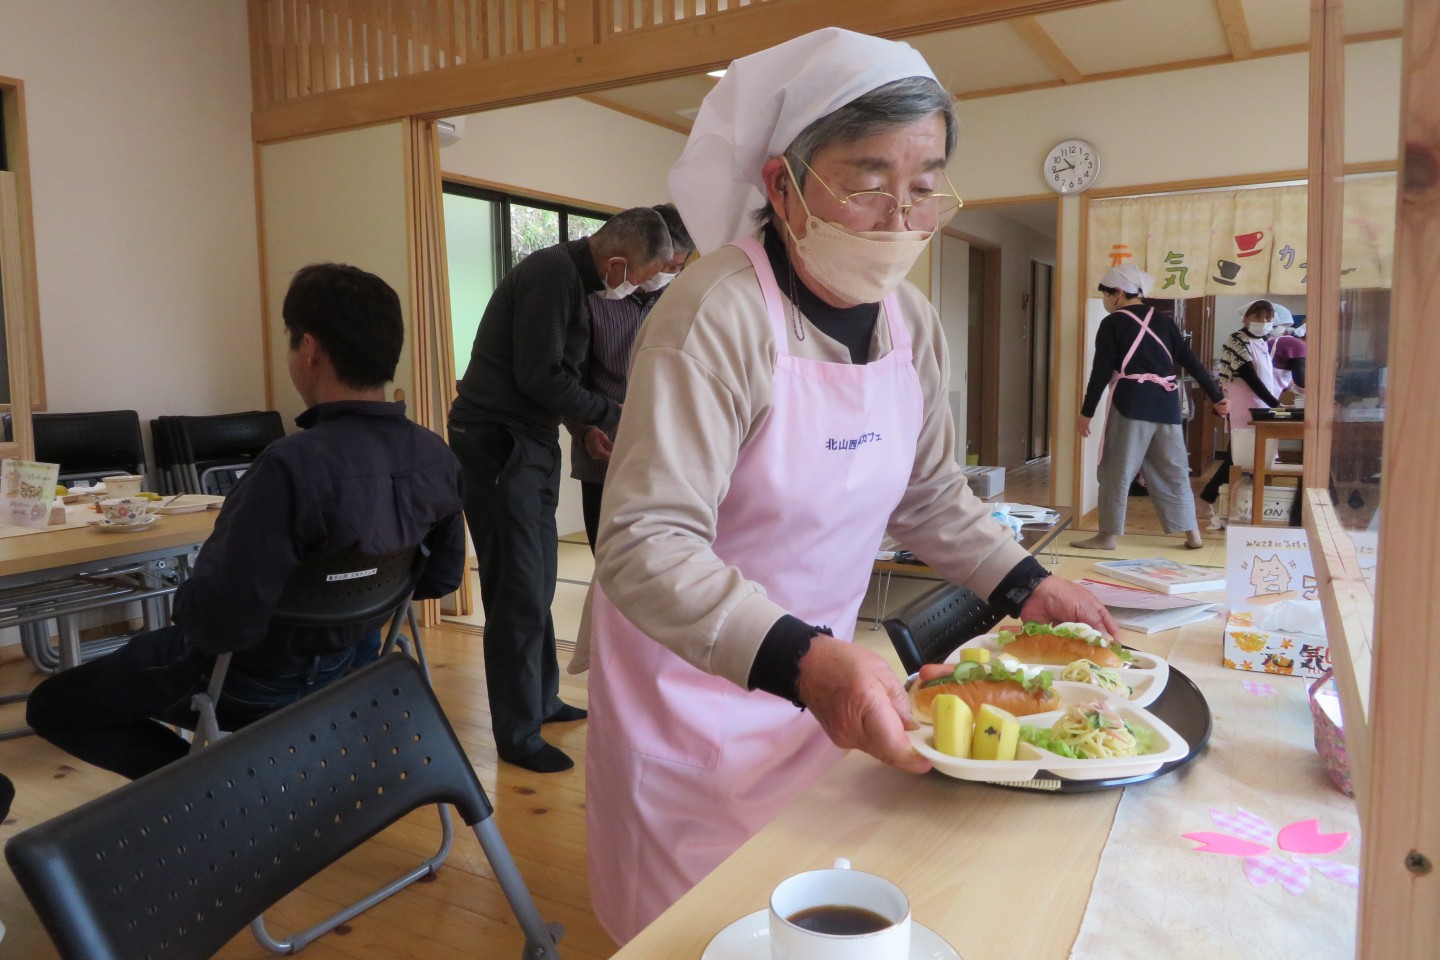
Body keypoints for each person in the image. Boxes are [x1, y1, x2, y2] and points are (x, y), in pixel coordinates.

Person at [575, 28, 1123, 943]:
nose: (900, 216)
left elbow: (930, 495)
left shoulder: (908, 320)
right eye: (867, 183)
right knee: (698, 933)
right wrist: (804, 659)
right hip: (694, 697)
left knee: (808, 918)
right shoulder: (716, 312)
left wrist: (1026, 585)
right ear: (785, 185)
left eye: (923, 185)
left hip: (824, 681)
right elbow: (645, 543)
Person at [27, 263, 466, 781]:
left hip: (248, 682)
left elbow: (220, 623)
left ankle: (216, 793)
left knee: (53, 706)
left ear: (309, 349)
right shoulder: (435, 456)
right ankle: (229, 789)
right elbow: (440, 579)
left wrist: (184, 600)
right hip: (355, 665)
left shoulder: (290, 466)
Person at [448, 207, 672, 773]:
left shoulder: (573, 277)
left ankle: (541, 700)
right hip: (497, 443)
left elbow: (558, 377)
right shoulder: (552, 275)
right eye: (640, 279)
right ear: (618, 262)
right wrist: (614, 414)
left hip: (530, 441)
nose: (637, 289)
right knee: (519, 589)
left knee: (540, 577)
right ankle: (517, 734)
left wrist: (585, 426)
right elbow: (539, 375)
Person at [565, 203, 695, 551]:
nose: (664, 274)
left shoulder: (684, 302)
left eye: (676, 267)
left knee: (662, 559)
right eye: (663, 264)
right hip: (604, 452)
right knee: (607, 557)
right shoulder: (596, 297)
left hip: (668, 453)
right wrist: (585, 429)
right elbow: (567, 380)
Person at [1071, 265, 1227, 551]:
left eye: (1106, 294)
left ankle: (1106, 536)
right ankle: (1193, 534)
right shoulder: (1165, 322)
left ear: (1117, 293)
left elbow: (1101, 371)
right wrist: (1216, 396)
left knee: (1116, 471)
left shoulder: (1113, 323)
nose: (1106, 300)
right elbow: (1192, 363)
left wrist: (1086, 411)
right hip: (1167, 406)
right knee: (1174, 470)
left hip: (1131, 403)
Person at [1198, 299, 1286, 508]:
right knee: (1240, 453)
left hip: (1261, 404)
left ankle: (1240, 500)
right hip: (1243, 404)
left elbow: (1265, 377)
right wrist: (1274, 403)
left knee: (1246, 454)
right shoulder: (1236, 340)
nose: (1263, 322)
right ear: (1246, 318)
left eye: (1268, 318)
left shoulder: (1263, 341)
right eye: (1258, 317)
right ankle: (1211, 497)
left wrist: (1272, 402)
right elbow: (1250, 377)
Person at [1271, 309, 1307, 395]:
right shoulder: (1298, 345)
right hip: (1264, 393)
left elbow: (1283, 371)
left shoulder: (1284, 341)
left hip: (1266, 392)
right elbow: (1301, 381)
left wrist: (1295, 388)